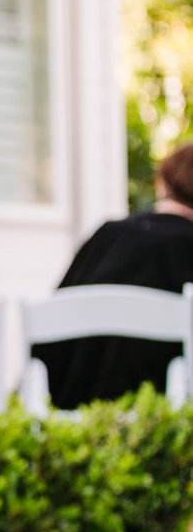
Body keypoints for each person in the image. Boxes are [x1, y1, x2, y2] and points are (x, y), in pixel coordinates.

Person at [32, 141, 193, 408]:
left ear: (162, 185)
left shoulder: (107, 236)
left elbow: (51, 330)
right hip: (163, 423)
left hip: (74, 415)